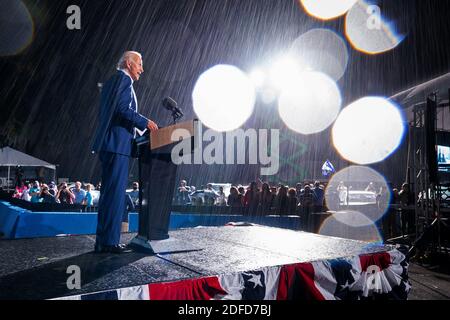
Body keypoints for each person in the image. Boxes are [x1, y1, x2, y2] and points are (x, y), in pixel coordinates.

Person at [91, 51, 159, 254]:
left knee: (109, 195)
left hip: (111, 144)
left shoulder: (112, 81)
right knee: (114, 196)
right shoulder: (124, 80)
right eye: (139, 64)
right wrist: (145, 122)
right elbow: (122, 109)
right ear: (129, 63)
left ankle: (104, 240)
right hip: (117, 145)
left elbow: (115, 111)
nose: (142, 69)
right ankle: (109, 242)